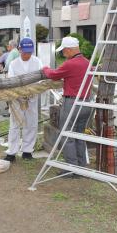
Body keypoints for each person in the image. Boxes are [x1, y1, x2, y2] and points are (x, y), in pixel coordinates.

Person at [42, 36, 92, 178]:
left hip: (72, 103)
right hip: (87, 103)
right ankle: (81, 166)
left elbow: (53, 75)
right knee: (79, 135)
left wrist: (45, 68)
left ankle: (71, 168)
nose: (63, 54)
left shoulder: (70, 64)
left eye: (64, 51)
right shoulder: (87, 62)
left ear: (69, 50)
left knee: (67, 135)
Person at [4, 38, 43, 162]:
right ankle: (12, 152)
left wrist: (32, 90)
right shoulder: (14, 63)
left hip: (32, 97)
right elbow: (11, 80)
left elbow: (41, 79)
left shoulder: (37, 62)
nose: (27, 54)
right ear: (20, 50)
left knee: (31, 123)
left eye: (29, 52)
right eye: (25, 52)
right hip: (17, 98)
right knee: (14, 124)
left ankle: (27, 150)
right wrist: (20, 92)